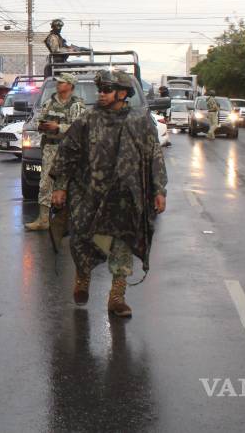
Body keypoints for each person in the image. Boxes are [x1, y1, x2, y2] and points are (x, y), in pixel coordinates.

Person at [50, 69, 166, 318]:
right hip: (89, 193)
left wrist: (159, 189)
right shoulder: (88, 119)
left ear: (122, 94)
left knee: (122, 243)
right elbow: (68, 152)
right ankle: (83, 276)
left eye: (107, 90)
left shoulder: (139, 121)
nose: (101, 94)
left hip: (125, 196)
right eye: (99, 90)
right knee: (81, 238)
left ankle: (117, 297)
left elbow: (154, 155)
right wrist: (60, 186)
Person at [24, 74, 86, 232]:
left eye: (62, 82)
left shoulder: (76, 105)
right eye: (58, 82)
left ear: (70, 85)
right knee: (45, 183)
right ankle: (43, 219)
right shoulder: (49, 102)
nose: (58, 84)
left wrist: (58, 127)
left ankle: (70, 221)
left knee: (68, 184)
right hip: (50, 148)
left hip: (68, 150)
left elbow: (79, 128)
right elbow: (36, 121)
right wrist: (42, 126)